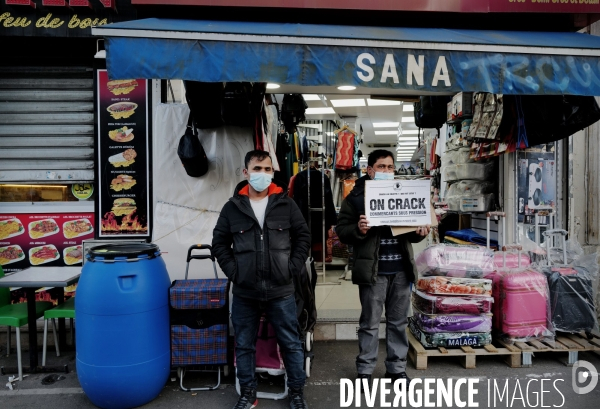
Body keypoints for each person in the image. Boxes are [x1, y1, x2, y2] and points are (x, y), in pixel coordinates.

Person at [212, 150, 311, 409]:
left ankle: (297, 393)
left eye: (268, 169)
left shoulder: (285, 203)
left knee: (290, 343)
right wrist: (235, 272)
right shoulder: (232, 208)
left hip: (281, 290)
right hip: (245, 291)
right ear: (246, 173)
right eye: (257, 169)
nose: (263, 174)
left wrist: (291, 267)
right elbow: (219, 243)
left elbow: (303, 237)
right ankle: (247, 394)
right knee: (244, 345)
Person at [336, 149, 431, 386]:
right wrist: (359, 229)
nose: (387, 171)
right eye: (381, 167)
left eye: (390, 167)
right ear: (370, 170)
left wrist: (421, 232)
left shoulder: (406, 194)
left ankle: (396, 370)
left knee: (398, 323)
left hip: (401, 270)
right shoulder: (356, 197)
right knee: (369, 323)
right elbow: (342, 231)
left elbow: (412, 234)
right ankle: (365, 372)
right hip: (373, 272)